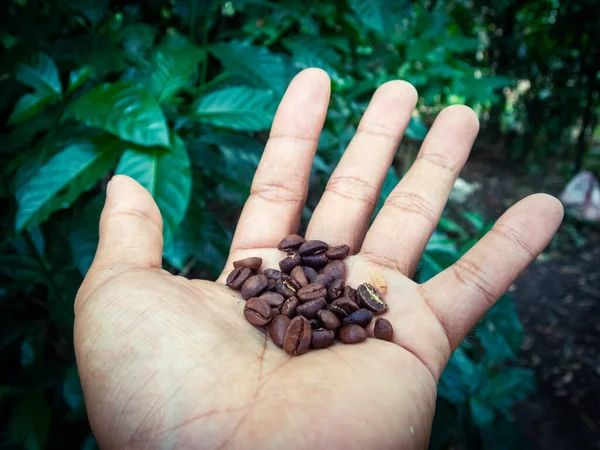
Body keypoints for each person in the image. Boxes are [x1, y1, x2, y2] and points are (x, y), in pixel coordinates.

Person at [73, 69, 563, 449]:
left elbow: (318, 300)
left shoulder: (329, 301)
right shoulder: (293, 297)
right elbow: (303, 299)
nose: (307, 289)